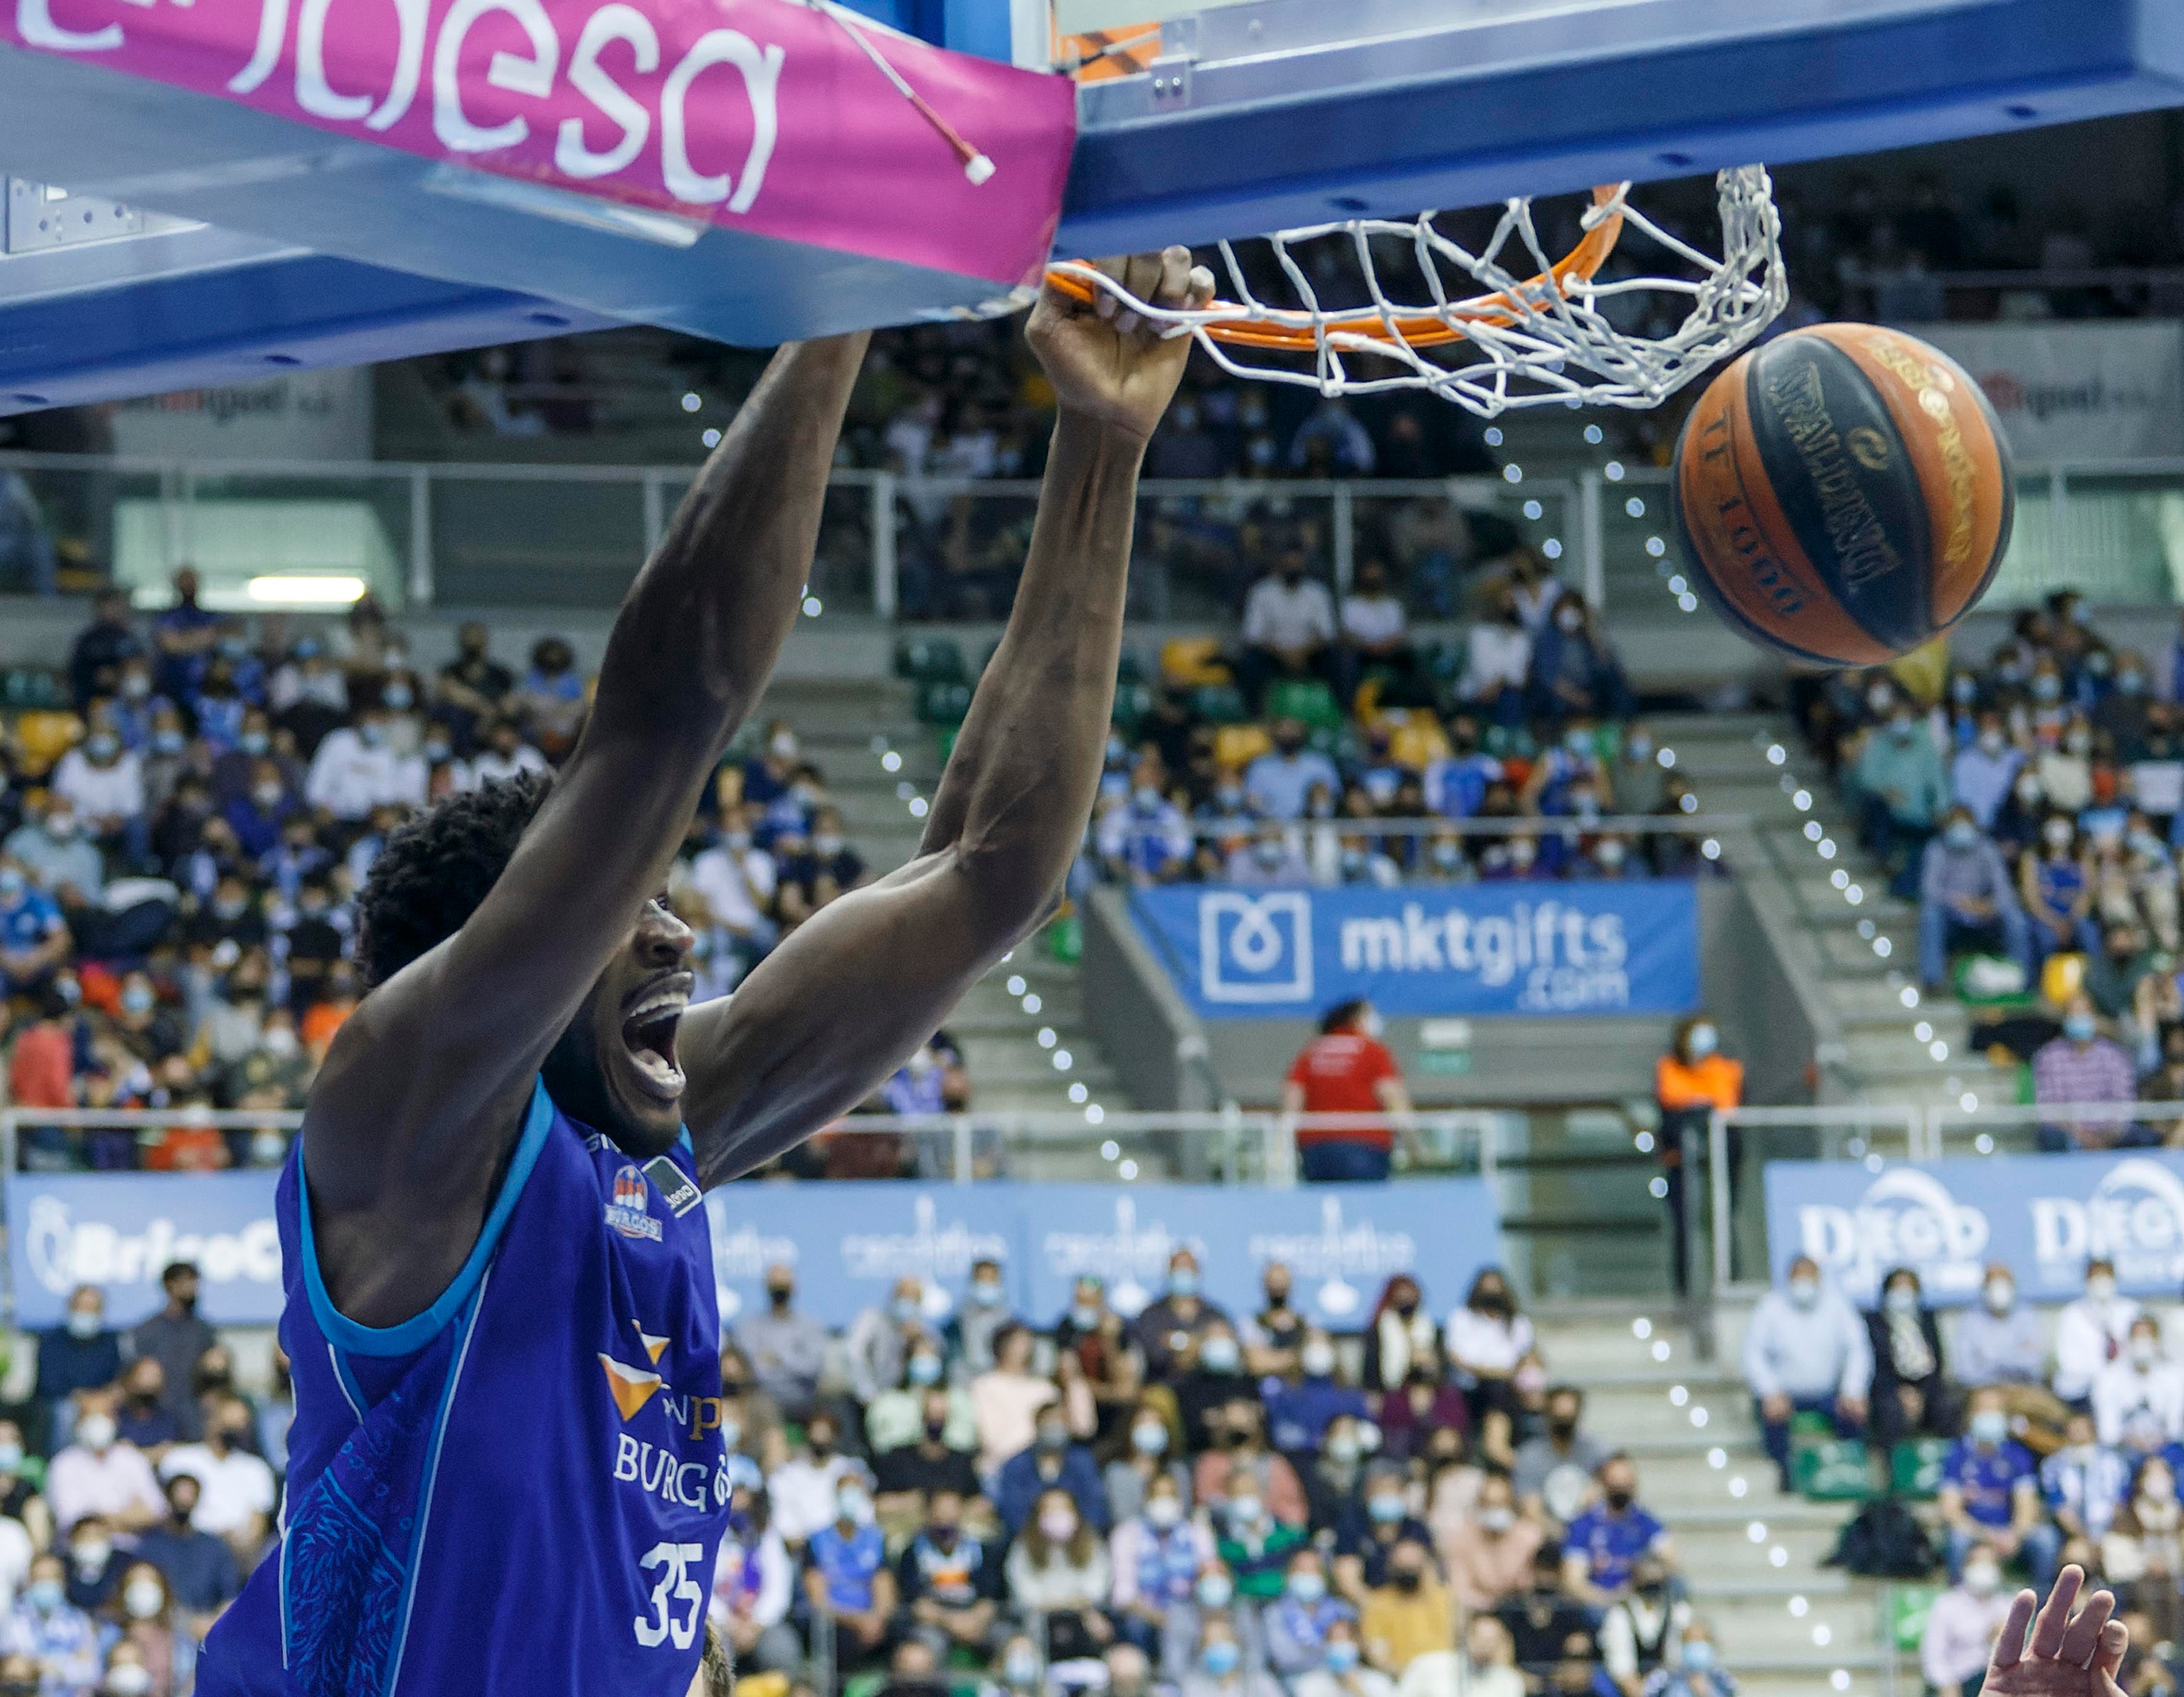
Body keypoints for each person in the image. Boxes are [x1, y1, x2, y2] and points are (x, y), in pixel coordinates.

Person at [192, 255, 1217, 1697]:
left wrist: (1101, 441)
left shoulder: (650, 1156)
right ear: (522, 943)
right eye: (631, 908)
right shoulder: (393, 1127)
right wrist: (854, 278)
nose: (676, 933)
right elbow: (662, 725)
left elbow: (993, 872)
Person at [1742, 1256, 1872, 1490]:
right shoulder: (1770, 1306)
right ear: (1789, 1280)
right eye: (1798, 1279)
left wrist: (1853, 1390)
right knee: (1772, 1415)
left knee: (1853, 1414)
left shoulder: (1838, 1306)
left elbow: (1858, 1350)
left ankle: (1850, 1475)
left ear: (1819, 1280)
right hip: (1784, 1394)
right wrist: (1771, 1391)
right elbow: (1754, 1353)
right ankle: (1785, 1474)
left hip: (1827, 1393)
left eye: (1808, 1279)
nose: (1804, 1285)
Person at [1651, 1015, 1743, 1297]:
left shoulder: (1725, 1069)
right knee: (1684, 1226)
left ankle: (1731, 1282)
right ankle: (1684, 1289)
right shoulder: (1668, 1068)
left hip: (1721, 1159)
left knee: (1723, 1218)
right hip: (1683, 1162)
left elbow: (1728, 1109)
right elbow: (1670, 1110)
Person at [1281, 1001, 1413, 1182]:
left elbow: (1292, 1101)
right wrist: (1413, 1144)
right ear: (1356, 1019)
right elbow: (1393, 1100)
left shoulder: (1311, 1053)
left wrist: (1281, 1147)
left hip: (1316, 1151)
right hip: (1366, 1147)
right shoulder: (1373, 1051)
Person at [1940, 1386, 2057, 1586]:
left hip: (2010, 1532)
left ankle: (2042, 1601)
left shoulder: (2017, 1456)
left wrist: (2014, 1535)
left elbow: (2027, 1507)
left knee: (2046, 1540)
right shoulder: (1957, 1455)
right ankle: (1955, 1595)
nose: (1989, 1416)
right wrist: (1987, 1536)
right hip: (1974, 1530)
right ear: (1971, 1416)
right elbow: (1951, 1511)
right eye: (1984, 1410)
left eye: (1995, 1411)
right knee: (1957, 1540)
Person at [1919, 805, 2034, 990]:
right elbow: (1930, 889)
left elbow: (2004, 889)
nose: (1961, 830)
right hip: (1952, 916)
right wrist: (1960, 902)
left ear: (1974, 826)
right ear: (1947, 827)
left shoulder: (1986, 847)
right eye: (1956, 825)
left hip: (1985, 916)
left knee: (2015, 918)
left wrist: (1990, 905)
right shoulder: (1936, 848)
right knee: (1930, 915)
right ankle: (1933, 980)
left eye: (1965, 825)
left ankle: (2022, 979)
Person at [157, 1395, 275, 1569]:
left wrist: (231, 1541)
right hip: (186, 1544)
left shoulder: (256, 1469)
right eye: (228, 1422)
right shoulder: (179, 1459)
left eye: (240, 1423)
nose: (234, 1428)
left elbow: (257, 1528)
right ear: (211, 1421)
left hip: (236, 1552)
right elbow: (165, 1511)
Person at [1108, 1469, 1211, 1668]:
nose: (1164, 1502)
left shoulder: (1196, 1532)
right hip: (1145, 1614)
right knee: (1135, 1624)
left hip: (1189, 1610)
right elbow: (1123, 1595)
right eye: (1157, 1495)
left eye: (1169, 1495)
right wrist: (1162, 1618)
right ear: (1146, 1499)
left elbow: (1209, 1576)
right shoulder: (1127, 1534)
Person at [1957, 1264, 2069, 1442]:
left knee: (2059, 1416)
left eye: (2003, 1283)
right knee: (1989, 1408)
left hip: (2024, 1388)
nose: (1999, 1289)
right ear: (1984, 1289)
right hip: (1986, 1389)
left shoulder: (2027, 1314)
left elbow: (2036, 1362)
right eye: (1993, 1284)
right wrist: (2015, 1355)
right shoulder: (1971, 1319)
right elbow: (1965, 1371)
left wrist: (1990, 1357)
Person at [1005, 1487, 1113, 1663]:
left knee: (1098, 1623)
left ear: (1076, 1514)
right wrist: (1069, 1603)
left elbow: (1096, 1591)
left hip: (1083, 1619)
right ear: (1038, 1516)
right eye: (1050, 1510)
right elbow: (1027, 1597)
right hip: (1037, 1623)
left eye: (1064, 1509)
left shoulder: (1093, 1544)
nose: (1057, 1515)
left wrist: (1065, 1604)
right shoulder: (1023, 1548)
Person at [896, 1487, 1000, 1662]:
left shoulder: (981, 1551)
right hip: (933, 1623)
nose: (946, 1524)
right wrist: (952, 1622)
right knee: (917, 1656)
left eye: (951, 1518)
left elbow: (989, 1600)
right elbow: (918, 1605)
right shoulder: (913, 1553)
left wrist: (973, 1621)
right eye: (940, 1518)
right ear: (928, 1516)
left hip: (973, 1618)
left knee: (1015, 1644)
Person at [2034, 994, 2148, 1151]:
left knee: (2141, 1136)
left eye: (2083, 1013)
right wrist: (2081, 1136)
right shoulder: (2049, 1056)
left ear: (2094, 1017)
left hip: (2111, 1134)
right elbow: (2051, 1108)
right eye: (2073, 1014)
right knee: (2050, 1135)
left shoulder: (2114, 1055)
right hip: (2069, 1135)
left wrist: (2107, 1136)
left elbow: (2124, 1103)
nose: (2078, 1018)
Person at [806, 1474, 896, 1673]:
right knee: (843, 1641)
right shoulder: (817, 1540)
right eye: (846, 1493)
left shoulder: (876, 1538)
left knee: (900, 1634)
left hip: (873, 1620)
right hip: (839, 1622)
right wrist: (858, 1621)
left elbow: (885, 1588)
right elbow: (818, 1598)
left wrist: (876, 1619)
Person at [43, 1395, 163, 1538]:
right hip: (83, 1547)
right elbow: (72, 1519)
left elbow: (155, 1511)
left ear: (115, 1420)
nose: (98, 1422)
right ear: (78, 1422)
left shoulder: (132, 1458)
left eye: (104, 1414)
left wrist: (101, 1517)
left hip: (133, 1550)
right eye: (91, 1416)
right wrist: (129, 1517)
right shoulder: (63, 1464)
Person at [132, 1473, 240, 1630]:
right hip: (163, 1626)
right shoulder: (150, 1546)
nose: (184, 1500)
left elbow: (229, 1595)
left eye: (190, 1495)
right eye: (179, 1494)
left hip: (208, 1625)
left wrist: (214, 1624)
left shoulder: (214, 1546)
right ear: (168, 1497)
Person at [1562, 1455, 1672, 1608]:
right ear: (1603, 1483)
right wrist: (1609, 1599)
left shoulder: (1644, 1521)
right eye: (1615, 1481)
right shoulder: (1585, 1524)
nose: (1621, 1486)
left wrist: (1649, 1573)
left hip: (1636, 1599)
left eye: (1626, 1481)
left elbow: (1671, 1561)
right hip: (1598, 1602)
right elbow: (1573, 1581)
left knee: (1675, 1587)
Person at [123, 1263, 216, 1442]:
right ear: (169, 1285)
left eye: (194, 1283)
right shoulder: (146, 1331)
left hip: (193, 1412)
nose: (193, 1289)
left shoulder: (205, 1331)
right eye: (186, 1282)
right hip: (156, 1412)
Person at [1238, 552, 1338, 711]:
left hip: (1309, 653)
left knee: (1338, 660)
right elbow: (1253, 635)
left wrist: (1301, 653)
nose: (1293, 567)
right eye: (1288, 563)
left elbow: (1327, 634)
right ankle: (1254, 715)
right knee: (1250, 663)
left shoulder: (1317, 592)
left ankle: (1344, 714)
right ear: (1279, 565)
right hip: (1273, 654)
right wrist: (1285, 654)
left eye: (1297, 563)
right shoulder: (1262, 592)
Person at [1867, 1266, 1953, 1445]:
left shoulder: (1926, 1320)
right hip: (1889, 1389)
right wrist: (1901, 1392)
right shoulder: (1875, 1323)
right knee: (1889, 1411)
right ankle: (1893, 1468)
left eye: (1909, 1288)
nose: (1903, 1293)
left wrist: (1921, 1394)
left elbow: (1937, 1362)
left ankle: (1949, 1463)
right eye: (1897, 1287)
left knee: (1946, 1406)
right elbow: (1875, 1366)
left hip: (1925, 1387)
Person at [996, 1402, 1108, 1539]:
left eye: (1060, 1421)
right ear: (1037, 1426)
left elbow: (1095, 1506)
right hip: (1029, 1541)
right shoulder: (1017, 1464)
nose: (1055, 1426)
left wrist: (1076, 1535)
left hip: (1079, 1540)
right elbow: (1012, 1512)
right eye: (1049, 1421)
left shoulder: (1083, 1461)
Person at [1444, 1268, 1534, 1434]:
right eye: (1486, 1288)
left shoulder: (1519, 1323)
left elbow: (1525, 1357)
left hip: (1506, 1387)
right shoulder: (1461, 1318)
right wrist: (1484, 1372)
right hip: (1469, 1387)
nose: (1491, 1293)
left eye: (1495, 1287)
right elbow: (1454, 1355)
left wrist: (1503, 1374)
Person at [1921, 1541, 2017, 1697]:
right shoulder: (1947, 1604)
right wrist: (1946, 1684)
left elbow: (2023, 1655)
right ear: (1965, 1568)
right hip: (1958, 1680)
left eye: (1990, 1563)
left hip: (1996, 1681)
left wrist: (2000, 1642)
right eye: (1978, 1562)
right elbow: (1933, 1655)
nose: (1984, 1568)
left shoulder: (2009, 1606)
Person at [740, 1262, 831, 1420]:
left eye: (784, 1285)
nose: (780, 1290)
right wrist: (793, 1362)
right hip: (763, 1398)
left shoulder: (810, 1325)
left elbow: (813, 1369)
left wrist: (779, 1359)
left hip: (803, 1400)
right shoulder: (750, 1327)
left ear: (794, 1287)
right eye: (775, 1285)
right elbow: (753, 1371)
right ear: (766, 1287)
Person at [0, 1553, 100, 1696]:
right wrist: (68, 1662)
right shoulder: (9, 1620)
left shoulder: (78, 1621)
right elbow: (12, 1669)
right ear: (29, 1582)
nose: (46, 1584)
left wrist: (44, 1667)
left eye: (51, 1578)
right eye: (40, 1578)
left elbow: (91, 1672)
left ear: (63, 1582)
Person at [1357, 1538, 1454, 1684]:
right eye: (1402, 1567)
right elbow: (1378, 1654)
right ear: (1391, 1567)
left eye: (1413, 1567)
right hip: (1402, 1676)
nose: (1408, 1572)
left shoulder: (1445, 1598)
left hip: (1445, 1672)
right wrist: (1406, 1675)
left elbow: (1459, 1642)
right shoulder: (1378, 1603)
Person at [1441, 1471, 1541, 1614]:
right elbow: (1460, 1588)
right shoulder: (1462, 1537)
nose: (1495, 1510)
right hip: (1478, 1612)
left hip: (1520, 1610)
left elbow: (1533, 1586)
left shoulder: (1530, 1537)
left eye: (1500, 1504)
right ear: (1480, 1506)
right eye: (1489, 1504)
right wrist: (1490, 1606)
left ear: (1511, 1505)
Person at [1512, 1384, 1608, 1529]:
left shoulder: (1595, 1450)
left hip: (1589, 1533)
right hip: (1547, 1534)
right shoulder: (1530, 1455)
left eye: (1569, 1414)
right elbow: (1531, 1509)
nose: (1564, 1419)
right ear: (1547, 1415)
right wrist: (1560, 1536)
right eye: (1560, 1415)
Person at [36, 1287, 120, 1449]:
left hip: (101, 1402)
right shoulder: (52, 1341)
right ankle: (60, 1460)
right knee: (66, 1413)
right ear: (70, 1309)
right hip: (64, 1401)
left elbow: (116, 1377)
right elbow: (49, 1383)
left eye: (92, 1310)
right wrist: (84, 1399)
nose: (86, 1314)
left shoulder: (109, 1341)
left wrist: (105, 1398)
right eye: (81, 1308)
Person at [2055, 1258, 2140, 1410]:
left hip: (2124, 1388)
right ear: (2087, 1281)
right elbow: (2068, 1362)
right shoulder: (2072, 1315)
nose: (2102, 1282)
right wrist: (2104, 1375)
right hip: (2082, 1391)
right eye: (2096, 1277)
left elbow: (2138, 1353)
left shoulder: (2131, 1311)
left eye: (2106, 1276)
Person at [1135, 1253, 1231, 1385]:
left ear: (1197, 1273)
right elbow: (1155, 1355)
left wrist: (1176, 1342)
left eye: (1188, 1268)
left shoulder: (1214, 1315)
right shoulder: (1151, 1315)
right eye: (1179, 1268)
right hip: (1164, 1387)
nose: (1184, 1273)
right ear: (1169, 1273)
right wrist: (1202, 1346)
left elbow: (1226, 1355)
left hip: (1209, 1386)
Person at [2093, 1314, 2184, 1454]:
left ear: (2158, 1342)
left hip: (2165, 1448)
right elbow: (2109, 1431)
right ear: (2128, 1341)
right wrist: (2130, 1442)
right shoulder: (2109, 1376)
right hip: (2123, 1449)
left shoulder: (2174, 1376)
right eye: (2138, 1338)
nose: (2142, 1343)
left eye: (2148, 1338)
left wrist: (2157, 1444)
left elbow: (2175, 1427)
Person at [2041, 1412, 2133, 1550]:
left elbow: (2120, 1502)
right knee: (2076, 1555)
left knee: (2118, 1550)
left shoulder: (2114, 1462)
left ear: (2093, 1431)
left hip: (2109, 1528)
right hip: (2072, 1532)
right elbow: (2059, 1507)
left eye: (2082, 1428)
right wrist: (2082, 1536)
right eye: (2074, 1429)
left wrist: (2106, 1534)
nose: (2078, 1433)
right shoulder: (2053, 1465)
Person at [1600, 1557, 1690, 1697]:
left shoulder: (1675, 1610)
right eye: (1647, 1581)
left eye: (1657, 1581)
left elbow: (1678, 1658)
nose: (1652, 1587)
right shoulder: (1620, 1614)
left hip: (1667, 1685)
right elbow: (1622, 1670)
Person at [1264, 1547, 1356, 1682]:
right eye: (1302, 1570)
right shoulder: (1274, 1614)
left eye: (1313, 1570)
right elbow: (1286, 1658)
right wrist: (1330, 1654)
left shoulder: (1342, 1610)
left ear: (1324, 1576)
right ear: (1289, 1575)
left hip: (1342, 1679)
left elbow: (1356, 1646)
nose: (1308, 1575)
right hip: (1294, 1682)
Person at [845, 1277, 929, 1408]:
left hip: (898, 1400)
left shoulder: (918, 1330)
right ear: (895, 1297)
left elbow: (925, 1371)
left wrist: (915, 1343)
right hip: (862, 1399)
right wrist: (868, 1393)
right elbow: (854, 1353)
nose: (908, 1303)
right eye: (905, 1297)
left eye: (913, 1300)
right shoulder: (872, 1318)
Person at [1293, 1617, 1398, 1697]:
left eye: (1344, 1639)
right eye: (1334, 1640)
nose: (1339, 1645)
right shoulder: (1310, 1684)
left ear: (1358, 1644)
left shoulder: (1379, 1682)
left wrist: (1358, 1690)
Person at [1637, 1622, 1730, 1697]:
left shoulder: (1723, 1680)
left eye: (1700, 1641)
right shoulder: (1662, 1678)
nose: (1696, 1646)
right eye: (1690, 1641)